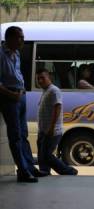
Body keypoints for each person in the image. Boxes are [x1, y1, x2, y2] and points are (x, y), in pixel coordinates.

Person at [0, 26, 41, 182]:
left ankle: (30, 167)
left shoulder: (16, 53)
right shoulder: (1, 54)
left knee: (24, 134)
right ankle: (23, 172)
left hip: (20, 95)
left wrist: (21, 92)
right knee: (15, 135)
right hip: (9, 98)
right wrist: (11, 94)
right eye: (19, 37)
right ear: (9, 38)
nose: (22, 41)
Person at [36, 68, 78, 176]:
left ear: (49, 78)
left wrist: (51, 127)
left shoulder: (54, 90)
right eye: (38, 78)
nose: (40, 81)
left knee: (47, 155)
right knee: (42, 155)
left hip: (52, 130)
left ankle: (69, 171)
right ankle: (44, 172)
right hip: (43, 130)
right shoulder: (46, 90)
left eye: (42, 78)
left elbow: (57, 108)